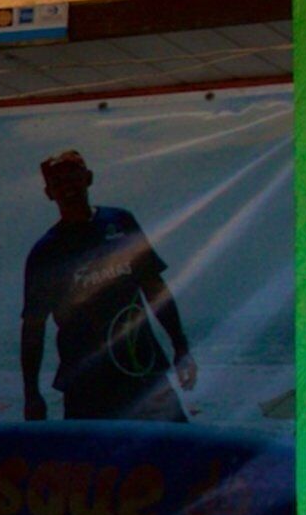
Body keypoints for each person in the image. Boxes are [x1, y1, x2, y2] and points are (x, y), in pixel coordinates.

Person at [18, 149, 196, 421]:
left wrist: (181, 348)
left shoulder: (121, 222)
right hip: (86, 383)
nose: (67, 188)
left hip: (143, 368)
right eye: (58, 183)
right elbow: (33, 328)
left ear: (88, 178)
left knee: (174, 444)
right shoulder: (45, 252)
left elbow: (154, 288)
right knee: (94, 450)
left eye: (73, 178)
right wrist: (31, 394)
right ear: (49, 193)